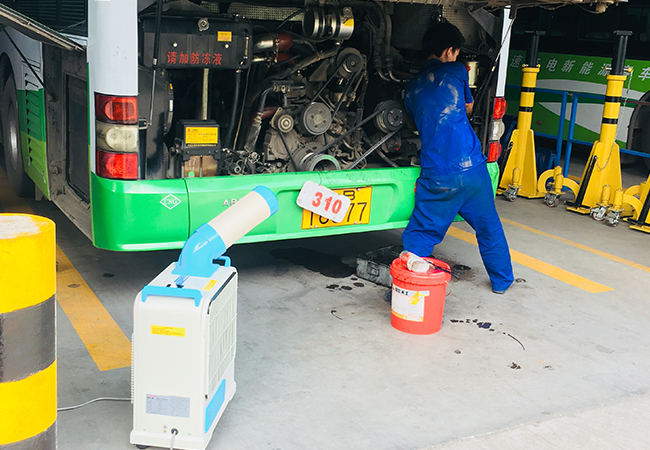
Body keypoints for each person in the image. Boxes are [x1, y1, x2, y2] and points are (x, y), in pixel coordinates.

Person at [401, 21, 514, 294]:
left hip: (439, 177)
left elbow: (415, 122)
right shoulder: (457, 71)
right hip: (473, 168)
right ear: (449, 51)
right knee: (489, 228)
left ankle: (409, 286)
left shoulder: (411, 88)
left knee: (421, 234)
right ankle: (502, 281)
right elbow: (468, 107)